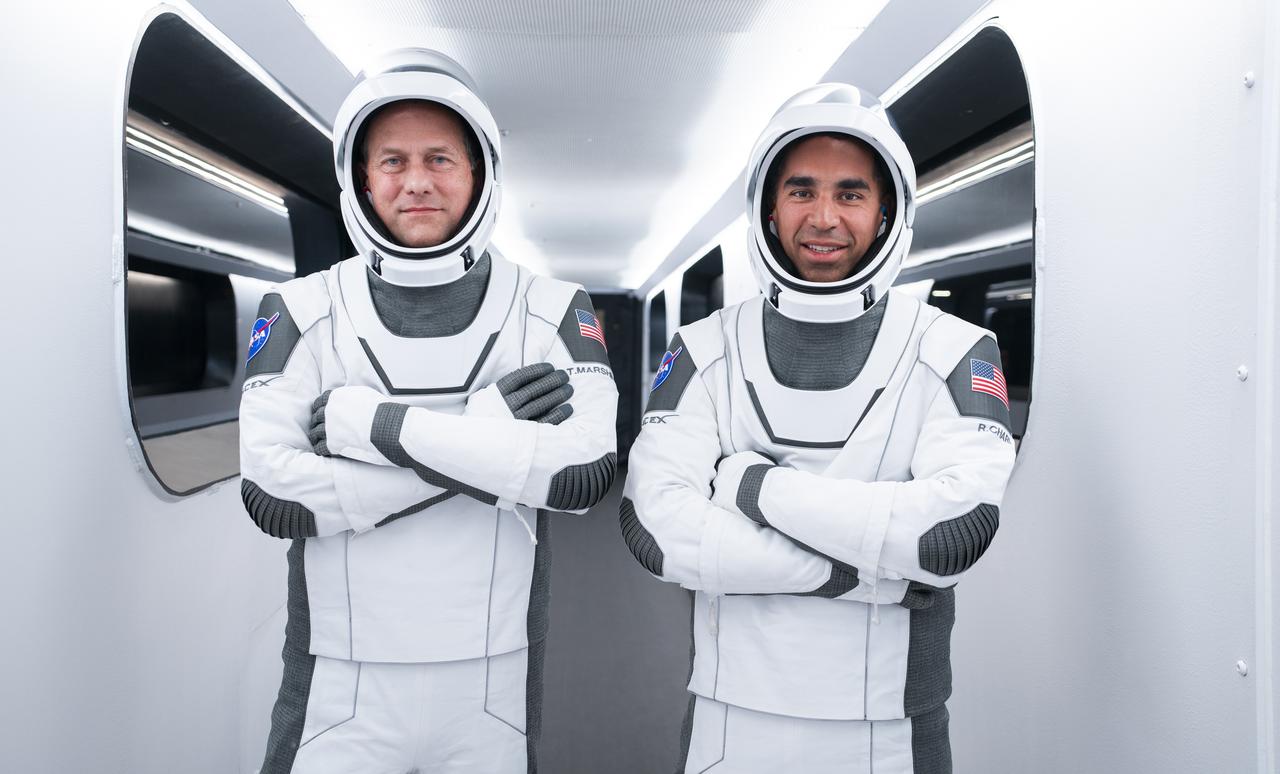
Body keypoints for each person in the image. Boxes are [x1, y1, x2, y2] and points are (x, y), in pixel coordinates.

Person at [238, 48, 618, 774]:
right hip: (336, 680)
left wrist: (375, 430)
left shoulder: (553, 310)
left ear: (480, 174)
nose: (416, 182)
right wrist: (484, 439)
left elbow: (583, 475)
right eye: (392, 161)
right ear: (359, 179)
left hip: (492, 678)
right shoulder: (299, 310)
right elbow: (273, 493)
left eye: (441, 158)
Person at [620, 83, 1015, 774]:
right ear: (769, 210)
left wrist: (750, 486)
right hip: (729, 718)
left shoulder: (955, 349)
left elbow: (948, 534)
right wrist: (860, 572)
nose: (824, 216)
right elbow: (655, 527)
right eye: (801, 191)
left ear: (887, 209)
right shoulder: (704, 346)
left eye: (851, 193)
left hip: (893, 728)